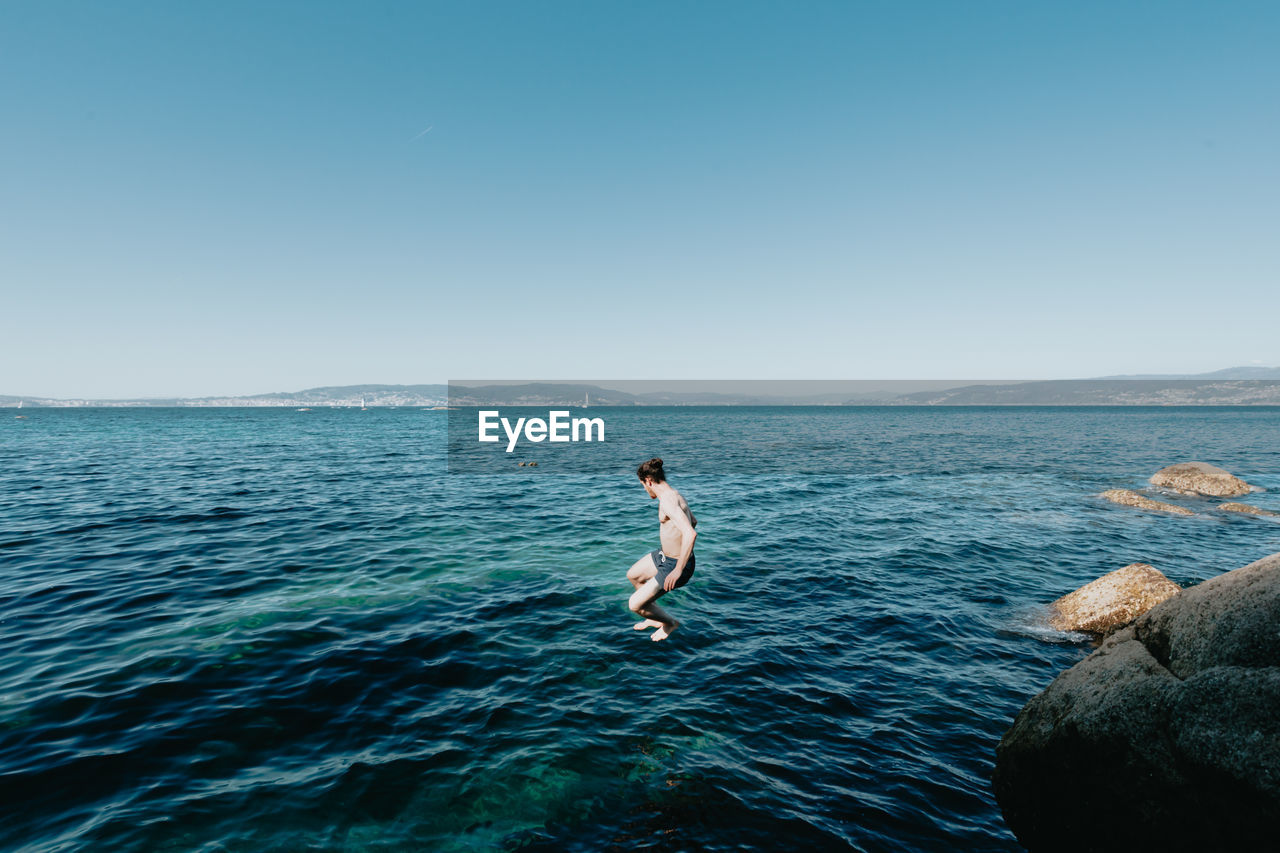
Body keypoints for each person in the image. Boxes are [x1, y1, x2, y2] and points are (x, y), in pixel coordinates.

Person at [626, 457, 697, 641]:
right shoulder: (676, 495)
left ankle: (670, 623)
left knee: (634, 604)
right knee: (633, 575)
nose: (644, 489)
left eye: (643, 485)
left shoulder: (667, 501)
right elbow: (694, 521)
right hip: (665, 557)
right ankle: (653, 617)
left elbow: (690, 533)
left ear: (648, 480)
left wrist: (678, 569)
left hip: (675, 564)